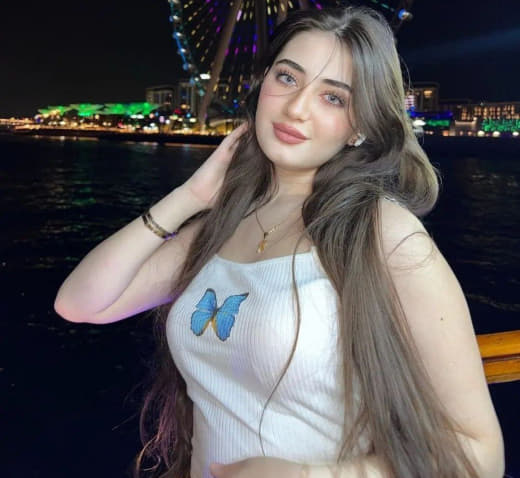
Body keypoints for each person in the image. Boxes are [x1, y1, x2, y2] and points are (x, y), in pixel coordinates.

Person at [54, 6, 505, 478]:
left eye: (333, 98)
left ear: (360, 127)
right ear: (262, 83)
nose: (296, 108)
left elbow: (480, 455)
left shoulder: (382, 232)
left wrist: (306, 475)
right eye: (288, 78)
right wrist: (189, 197)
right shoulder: (222, 224)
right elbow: (81, 304)